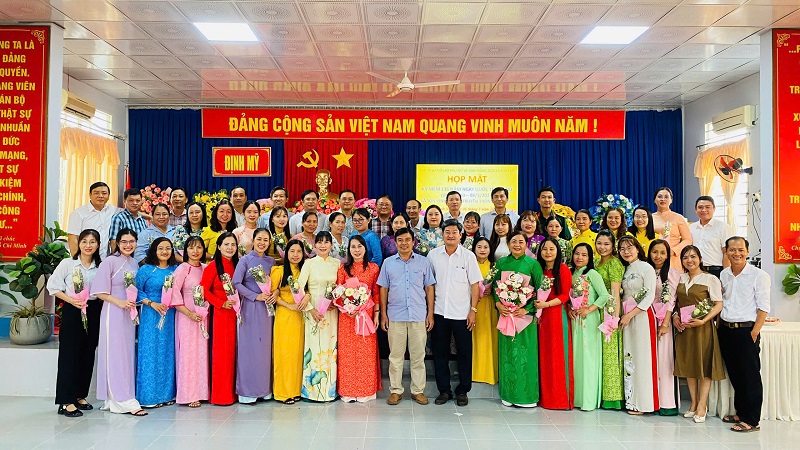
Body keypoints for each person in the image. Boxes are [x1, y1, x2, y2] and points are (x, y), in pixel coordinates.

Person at [90, 228, 146, 416]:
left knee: (127, 354)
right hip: (113, 312)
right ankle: (120, 399)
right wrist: (120, 302)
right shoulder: (109, 262)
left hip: (129, 313)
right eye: (124, 242)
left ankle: (125, 393)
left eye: (132, 241)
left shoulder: (134, 263)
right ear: (117, 243)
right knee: (115, 353)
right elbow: (99, 291)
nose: (128, 245)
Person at [48, 229, 102, 417]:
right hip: (73, 310)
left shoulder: (100, 266)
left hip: (93, 310)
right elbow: (53, 286)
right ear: (78, 244)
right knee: (69, 355)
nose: (88, 245)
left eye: (92, 242)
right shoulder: (68, 264)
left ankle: (80, 395)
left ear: (98, 245)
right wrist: (71, 300)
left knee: (88, 353)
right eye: (84, 241)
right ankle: (65, 400)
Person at [379, 227, 435, 406]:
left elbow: (429, 288)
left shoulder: (423, 262)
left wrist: (430, 314)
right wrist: (383, 314)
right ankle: (396, 391)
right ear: (395, 243)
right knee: (395, 357)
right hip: (395, 315)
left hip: (418, 315)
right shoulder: (388, 263)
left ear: (413, 242)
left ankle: (418, 391)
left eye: (407, 240)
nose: (404, 243)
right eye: (400, 240)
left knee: (418, 356)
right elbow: (383, 289)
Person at [428, 219, 482, 407]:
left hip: (462, 314)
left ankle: (463, 390)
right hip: (439, 312)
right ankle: (444, 390)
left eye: (454, 232)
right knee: (440, 353)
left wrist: (473, 310)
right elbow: (429, 285)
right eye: (447, 232)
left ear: (461, 235)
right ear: (442, 234)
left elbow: (475, 285)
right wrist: (429, 312)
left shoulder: (468, 256)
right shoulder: (433, 255)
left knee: (464, 353)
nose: (450, 235)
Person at [718, 236, 769, 433]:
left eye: (741, 250)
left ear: (747, 251)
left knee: (750, 375)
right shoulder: (724, 274)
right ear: (726, 252)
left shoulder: (758, 275)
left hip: (746, 330)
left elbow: (763, 307)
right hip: (726, 329)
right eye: (732, 250)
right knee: (735, 374)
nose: (736, 253)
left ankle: (752, 420)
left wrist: (755, 332)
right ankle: (741, 412)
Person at [673, 245, 725, 423]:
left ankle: (702, 405)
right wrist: (675, 316)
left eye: (693, 256)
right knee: (689, 365)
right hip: (685, 328)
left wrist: (704, 321)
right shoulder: (680, 278)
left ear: (700, 259)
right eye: (685, 257)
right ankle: (693, 403)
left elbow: (718, 304)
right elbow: (675, 303)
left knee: (704, 365)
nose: (689, 260)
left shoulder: (710, 279)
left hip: (703, 329)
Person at [493, 231, 543, 407]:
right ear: (508, 244)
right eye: (513, 241)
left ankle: (527, 396)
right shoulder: (501, 263)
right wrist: (498, 304)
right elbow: (495, 287)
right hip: (506, 316)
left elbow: (540, 291)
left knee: (526, 354)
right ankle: (508, 395)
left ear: (526, 244)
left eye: (521, 242)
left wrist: (527, 309)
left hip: (525, 319)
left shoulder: (533, 264)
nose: (517, 245)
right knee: (507, 354)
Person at [233, 228, 277, 404]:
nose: (262, 243)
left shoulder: (271, 261)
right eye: (259, 239)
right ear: (253, 240)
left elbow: (276, 283)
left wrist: (275, 293)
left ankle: (264, 389)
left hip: (267, 310)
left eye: (266, 240)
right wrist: (255, 296)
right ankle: (247, 391)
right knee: (249, 348)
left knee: (265, 349)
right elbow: (236, 283)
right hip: (250, 308)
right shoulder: (244, 260)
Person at [336, 235, 381, 402]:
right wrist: (347, 307)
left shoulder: (373, 268)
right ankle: (348, 391)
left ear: (365, 248)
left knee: (365, 353)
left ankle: (366, 391)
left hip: (366, 316)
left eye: (359, 246)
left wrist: (377, 314)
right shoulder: (343, 269)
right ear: (349, 250)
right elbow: (339, 291)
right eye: (353, 247)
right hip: (347, 316)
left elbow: (376, 292)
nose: (356, 250)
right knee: (348, 354)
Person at [297, 232, 342, 402]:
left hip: (331, 312)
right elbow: (298, 288)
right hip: (313, 312)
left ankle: (329, 391)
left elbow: (341, 287)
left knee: (330, 347)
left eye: (326, 242)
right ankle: (311, 391)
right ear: (314, 245)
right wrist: (310, 309)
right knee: (313, 347)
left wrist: (336, 302)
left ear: (332, 245)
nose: (323, 245)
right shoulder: (309, 263)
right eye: (320, 242)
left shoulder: (337, 264)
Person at [135, 237, 178, 407]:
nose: (165, 251)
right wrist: (152, 303)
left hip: (170, 314)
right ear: (154, 250)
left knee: (167, 352)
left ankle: (167, 395)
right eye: (161, 248)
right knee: (150, 352)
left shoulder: (175, 270)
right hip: (151, 314)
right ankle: (149, 397)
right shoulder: (146, 269)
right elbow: (135, 290)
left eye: (168, 248)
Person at [618, 236, 659, 414]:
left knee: (643, 358)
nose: (626, 252)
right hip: (626, 317)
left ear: (637, 248)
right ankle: (631, 400)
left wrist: (630, 315)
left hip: (642, 316)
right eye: (622, 249)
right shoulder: (624, 269)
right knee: (630, 358)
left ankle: (645, 403)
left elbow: (649, 296)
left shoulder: (646, 268)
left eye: (629, 248)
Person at [569, 243, 609, 411]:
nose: (579, 257)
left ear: (590, 258)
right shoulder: (570, 273)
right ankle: (576, 398)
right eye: (577, 254)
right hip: (575, 320)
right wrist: (570, 309)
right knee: (576, 357)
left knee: (588, 358)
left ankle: (588, 400)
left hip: (590, 320)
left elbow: (604, 295)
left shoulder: (592, 273)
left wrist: (589, 309)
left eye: (584, 255)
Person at [200, 232, 239, 406]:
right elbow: (203, 290)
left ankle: (236, 392)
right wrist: (221, 303)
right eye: (226, 244)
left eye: (233, 244)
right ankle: (221, 395)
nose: (230, 248)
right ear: (219, 246)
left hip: (238, 313)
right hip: (221, 315)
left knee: (236, 354)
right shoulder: (213, 266)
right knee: (222, 354)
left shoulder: (238, 264)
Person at [535, 237, 574, 410]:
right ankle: (545, 398)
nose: (548, 252)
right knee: (544, 357)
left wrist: (547, 305)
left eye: (551, 249)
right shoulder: (538, 269)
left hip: (557, 316)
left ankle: (560, 399)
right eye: (544, 249)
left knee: (558, 356)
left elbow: (565, 295)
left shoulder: (563, 270)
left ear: (558, 251)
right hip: (541, 317)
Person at [171, 235, 209, 408]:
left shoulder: (206, 268)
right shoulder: (182, 269)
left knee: (202, 353)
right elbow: (174, 294)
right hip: (186, 317)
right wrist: (189, 313)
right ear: (185, 250)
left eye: (199, 247)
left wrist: (205, 309)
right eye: (191, 247)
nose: (195, 251)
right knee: (188, 354)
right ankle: (189, 394)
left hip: (204, 316)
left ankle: (202, 392)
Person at [270, 240, 307, 404]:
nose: (295, 255)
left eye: (299, 251)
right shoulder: (278, 271)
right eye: (292, 251)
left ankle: (296, 390)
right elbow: (272, 295)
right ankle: (282, 392)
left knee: (297, 354)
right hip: (284, 315)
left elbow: (308, 290)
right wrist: (288, 305)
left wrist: (307, 297)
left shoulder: (304, 270)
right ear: (286, 253)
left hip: (300, 316)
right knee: (284, 354)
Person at [647, 239, 681, 416]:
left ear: (668, 255)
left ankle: (666, 403)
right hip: (646, 320)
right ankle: (649, 400)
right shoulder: (646, 271)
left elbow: (671, 300)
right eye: (655, 252)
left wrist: (666, 323)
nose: (658, 256)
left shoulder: (672, 273)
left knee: (664, 361)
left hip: (663, 323)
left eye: (662, 252)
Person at [594, 230, 625, 410]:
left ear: (613, 246)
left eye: (606, 244)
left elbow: (615, 293)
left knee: (610, 353)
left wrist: (614, 318)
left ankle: (612, 397)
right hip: (595, 309)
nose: (602, 247)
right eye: (599, 243)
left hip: (608, 311)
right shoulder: (596, 262)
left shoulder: (614, 263)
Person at [67, 182, 119, 259]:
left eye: (104, 193)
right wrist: (77, 260)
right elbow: (73, 238)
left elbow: (130, 211)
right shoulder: (78, 213)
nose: (100, 196)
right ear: (90, 195)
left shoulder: (114, 210)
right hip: (86, 259)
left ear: (108, 196)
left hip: (106, 259)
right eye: (96, 193)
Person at [471, 237, 498, 385]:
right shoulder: (470, 264)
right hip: (473, 306)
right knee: (475, 338)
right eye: (479, 247)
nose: (482, 250)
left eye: (485, 247)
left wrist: (492, 290)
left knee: (489, 337)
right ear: (474, 248)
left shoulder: (494, 266)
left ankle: (489, 373)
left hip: (489, 306)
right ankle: (475, 372)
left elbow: (500, 286)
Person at [690, 196, 734, 279]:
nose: (704, 210)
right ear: (695, 209)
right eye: (700, 207)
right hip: (696, 270)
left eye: (707, 207)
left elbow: (727, 253)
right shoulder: (691, 227)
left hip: (715, 271)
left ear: (714, 209)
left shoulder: (723, 227)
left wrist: (726, 275)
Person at [652, 187, 692, 269]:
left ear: (671, 200)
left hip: (673, 258)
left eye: (666, 197)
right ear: (655, 200)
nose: (663, 199)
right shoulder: (649, 218)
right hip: (654, 258)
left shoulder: (678, 217)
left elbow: (688, 240)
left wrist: (673, 251)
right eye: (659, 196)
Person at [108, 188, 148, 253]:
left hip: (142, 257)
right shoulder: (119, 218)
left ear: (141, 202)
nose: (135, 203)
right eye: (131, 200)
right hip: (125, 257)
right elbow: (113, 242)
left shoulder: (143, 220)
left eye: (138, 200)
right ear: (124, 201)